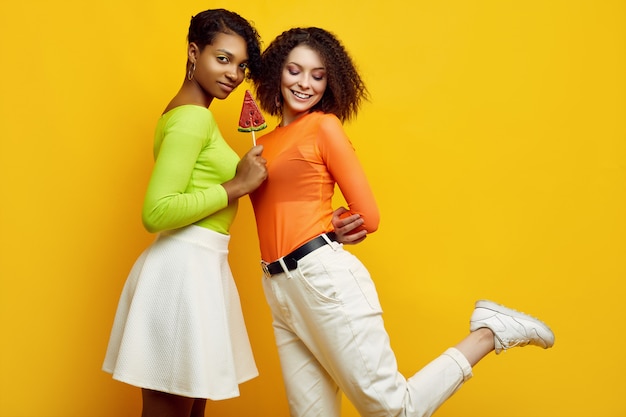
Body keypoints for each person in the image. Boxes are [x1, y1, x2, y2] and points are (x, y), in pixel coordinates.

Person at [249, 27, 555, 417]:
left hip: (320, 278)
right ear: (277, 71)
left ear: (330, 82)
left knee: (393, 411)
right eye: (295, 70)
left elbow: (369, 216)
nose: (305, 83)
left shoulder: (323, 127)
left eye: (318, 75)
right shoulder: (265, 142)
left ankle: (489, 332)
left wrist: (331, 222)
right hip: (278, 288)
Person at [102, 9, 268, 417]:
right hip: (182, 273)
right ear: (194, 52)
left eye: (241, 65)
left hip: (202, 267)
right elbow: (156, 212)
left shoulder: (190, 114)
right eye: (222, 58)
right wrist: (236, 185)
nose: (233, 73)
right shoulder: (192, 118)